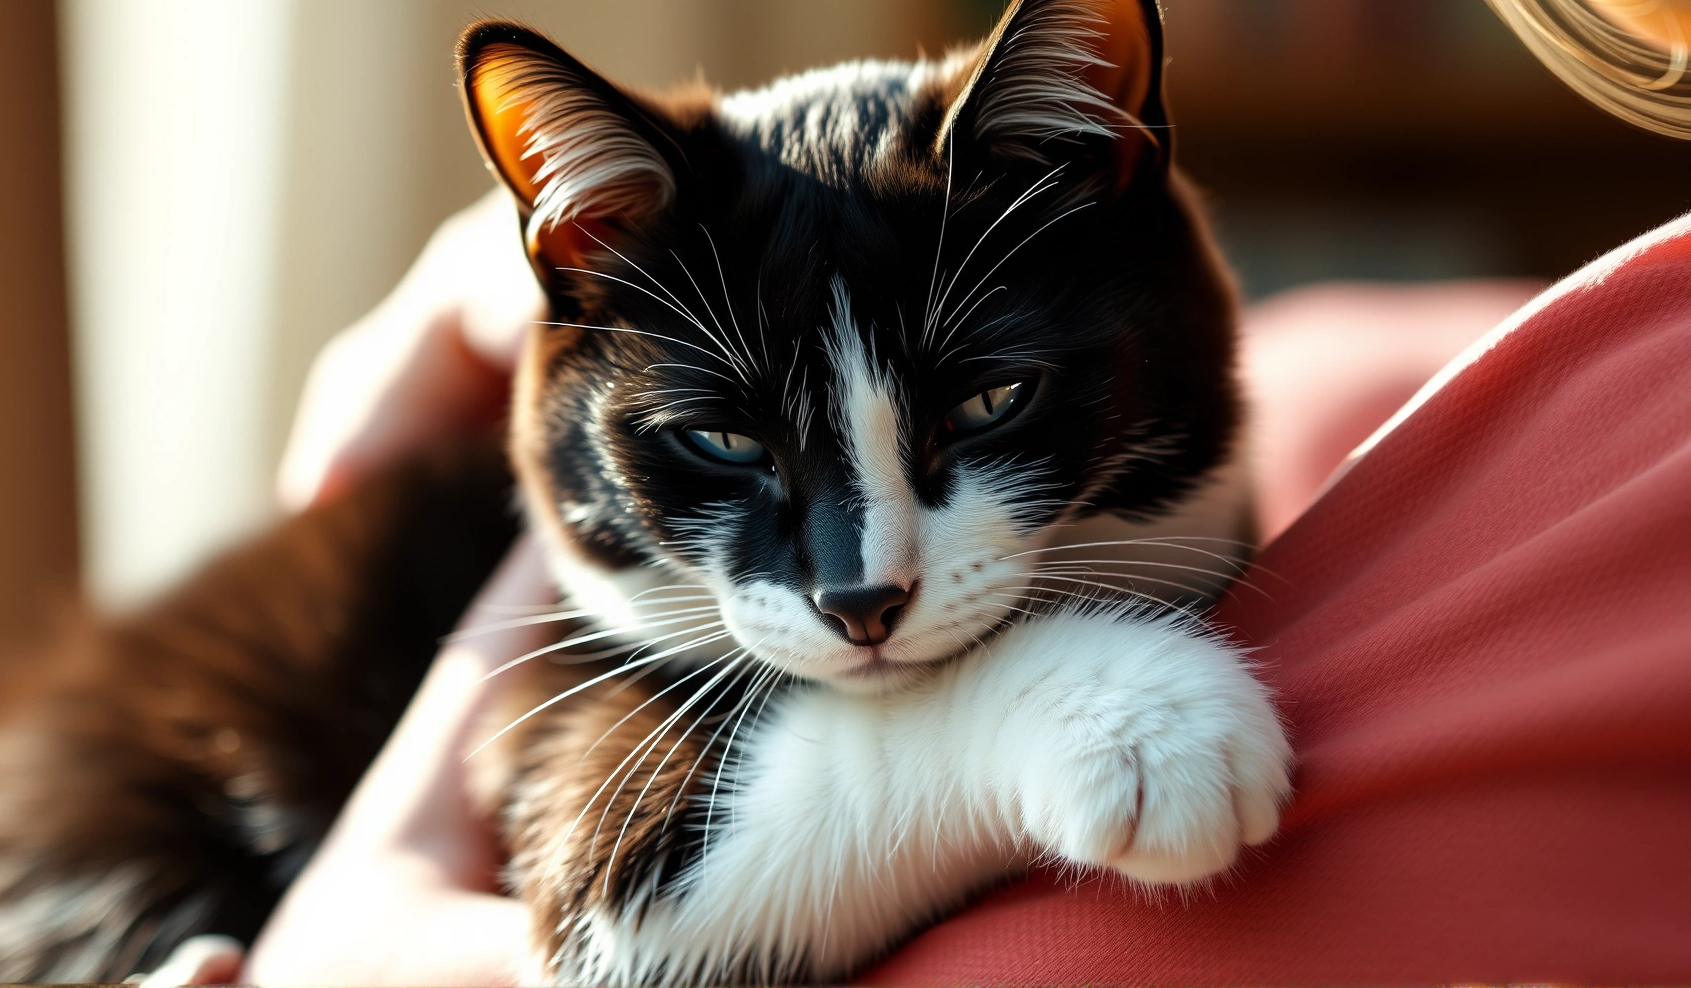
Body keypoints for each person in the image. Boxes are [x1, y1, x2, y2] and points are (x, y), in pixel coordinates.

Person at [145, 189, 1691, 984]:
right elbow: (643, 934)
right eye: (716, 443)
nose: (866, 581)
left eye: (980, 413)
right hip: (161, 858)